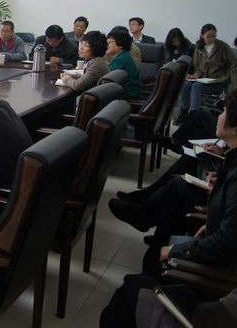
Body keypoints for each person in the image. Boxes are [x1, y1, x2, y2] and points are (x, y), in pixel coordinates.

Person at [101, 90, 237, 328]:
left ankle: (142, 221)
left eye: (224, 112)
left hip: (217, 271)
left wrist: (177, 249)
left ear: (235, 128)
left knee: (127, 293)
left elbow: (225, 241)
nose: (219, 115)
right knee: (172, 204)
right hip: (212, 242)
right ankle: (147, 243)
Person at [177, 23, 237, 121]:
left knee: (196, 86)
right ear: (202, 35)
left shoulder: (222, 46)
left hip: (219, 82)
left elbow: (234, 63)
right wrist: (196, 75)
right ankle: (183, 111)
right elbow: (198, 68)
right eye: (209, 36)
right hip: (203, 80)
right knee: (186, 84)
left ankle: (193, 116)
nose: (212, 38)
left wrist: (234, 84)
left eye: (214, 36)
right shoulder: (199, 47)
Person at [107, 29, 142, 99]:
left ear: (120, 44)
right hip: (129, 93)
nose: (107, 45)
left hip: (127, 96)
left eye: (110, 42)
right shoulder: (124, 55)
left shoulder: (120, 60)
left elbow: (108, 80)